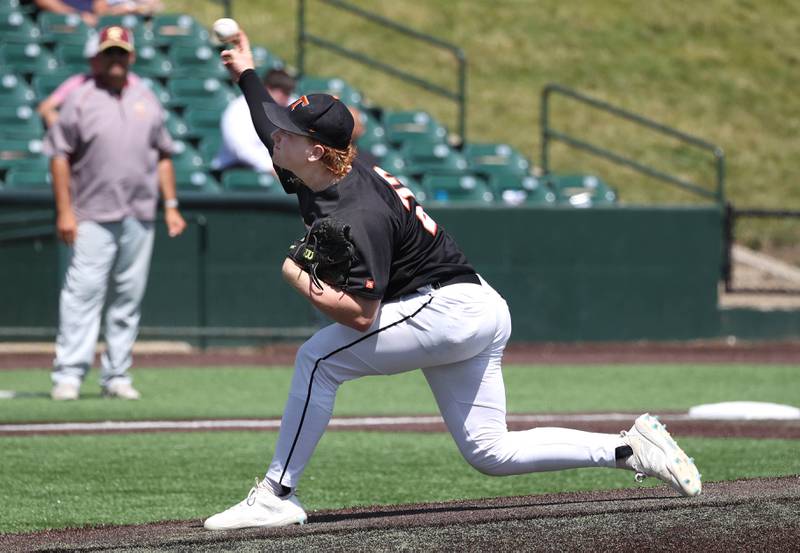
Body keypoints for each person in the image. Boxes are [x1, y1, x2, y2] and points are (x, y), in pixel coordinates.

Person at [203, 29, 703, 531]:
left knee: (317, 360)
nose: (276, 135)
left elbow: (359, 316)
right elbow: (267, 118)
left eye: (290, 132)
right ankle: (629, 448)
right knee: (491, 451)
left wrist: (296, 277)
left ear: (314, 151)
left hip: (442, 310)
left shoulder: (357, 213)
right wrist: (246, 70)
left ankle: (275, 493)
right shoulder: (318, 167)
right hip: (475, 305)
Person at [44, 25, 186, 401]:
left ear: (131, 57)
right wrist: (64, 211)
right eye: (109, 52)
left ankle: (116, 374)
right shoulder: (80, 99)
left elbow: (163, 156)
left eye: (121, 52)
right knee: (83, 293)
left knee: (128, 297)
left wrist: (170, 206)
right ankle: (69, 374)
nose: (116, 59)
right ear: (96, 58)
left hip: (139, 212)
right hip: (91, 212)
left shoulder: (147, 98)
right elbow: (59, 156)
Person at [36, 31, 141, 128]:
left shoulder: (135, 83)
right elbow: (45, 107)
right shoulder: (79, 82)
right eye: (92, 58)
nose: (95, 62)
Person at [212, 68, 296, 175]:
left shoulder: (289, 104)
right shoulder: (240, 107)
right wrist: (271, 168)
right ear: (267, 88)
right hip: (234, 168)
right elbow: (240, 148)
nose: (286, 98)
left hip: (275, 167)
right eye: (283, 92)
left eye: (288, 92)